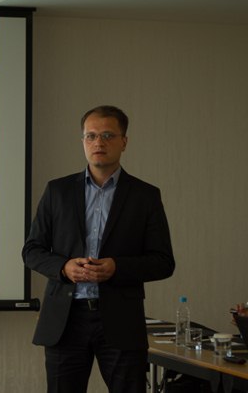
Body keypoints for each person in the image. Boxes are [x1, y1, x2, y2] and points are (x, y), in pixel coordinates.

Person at [22, 105, 175, 393]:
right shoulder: (57, 191)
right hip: (66, 320)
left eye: (107, 135)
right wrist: (64, 267)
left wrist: (117, 267)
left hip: (120, 320)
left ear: (124, 142)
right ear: (82, 141)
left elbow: (163, 261)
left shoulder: (145, 196)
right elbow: (32, 250)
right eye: (90, 136)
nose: (98, 143)